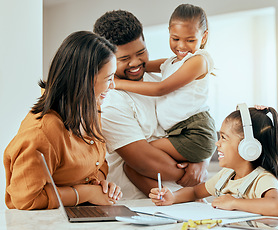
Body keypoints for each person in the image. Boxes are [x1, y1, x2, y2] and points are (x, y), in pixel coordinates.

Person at [93, 10, 209, 199]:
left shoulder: (158, 79)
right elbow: (143, 160)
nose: (136, 63)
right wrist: (191, 175)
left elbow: (196, 120)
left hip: (185, 203)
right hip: (140, 206)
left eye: (141, 52)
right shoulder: (110, 101)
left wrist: (201, 160)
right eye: (124, 59)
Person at [3, 31, 122, 210]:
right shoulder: (42, 131)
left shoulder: (90, 110)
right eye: (108, 78)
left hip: (82, 214)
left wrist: (101, 186)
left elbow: (97, 164)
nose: (113, 85)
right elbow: (26, 199)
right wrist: (86, 193)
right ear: (85, 80)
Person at [150, 104, 278, 216]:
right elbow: (195, 192)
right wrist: (172, 197)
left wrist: (234, 202)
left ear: (248, 147)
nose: (217, 143)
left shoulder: (262, 179)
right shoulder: (226, 175)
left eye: (224, 137)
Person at [114, 4, 216, 164]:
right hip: (178, 132)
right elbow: (140, 65)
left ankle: (187, 178)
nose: (181, 46)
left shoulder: (198, 61)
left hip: (194, 132)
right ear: (169, 32)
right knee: (133, 168)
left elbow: (160, 89)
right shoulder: (171, 62)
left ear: (203, 37)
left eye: (190, 40)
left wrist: (117, 83)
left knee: (144, 153)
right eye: (175, 39)